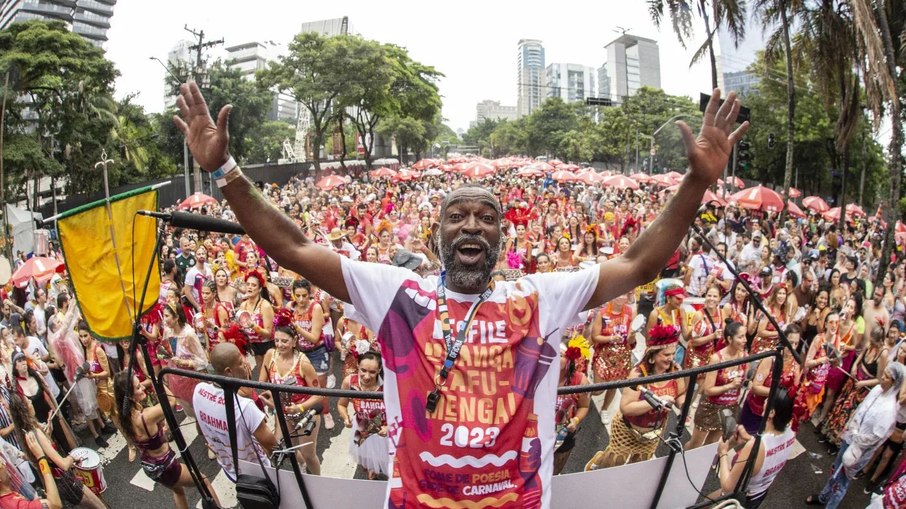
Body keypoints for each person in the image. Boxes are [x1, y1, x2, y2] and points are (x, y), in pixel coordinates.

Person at [175, 80, 747, 507]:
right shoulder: (396, 293)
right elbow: (295, 249)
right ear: (435, 234)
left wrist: (696, 180)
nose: (471, 225)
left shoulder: (542, 297)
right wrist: (224, 169)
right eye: (457, 216)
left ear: (503, 235)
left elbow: (639, 261)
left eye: (485, 217)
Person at [585, 324, 687, 469]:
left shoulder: (676, 371)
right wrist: (657, 401)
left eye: (673, 354)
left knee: (639, 464)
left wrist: (683, 405)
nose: (671, 358)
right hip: (627, 430)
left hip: (653, 433)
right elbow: (626, 408)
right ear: (653, 356)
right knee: (615, 462)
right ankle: (599, 463)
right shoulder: (638, 374)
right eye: (666, 355)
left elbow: (680, 394)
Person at [806, 363, 906, 508]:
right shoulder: (877, 389)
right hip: (850, 439)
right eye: (883, 374)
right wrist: (851, 429)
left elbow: (874, 438)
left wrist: (855, 436)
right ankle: (823, 496)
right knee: (835, 468)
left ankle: (831, 505)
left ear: (894, 383)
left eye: (886, 377)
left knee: (842, 481)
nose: (882, 378)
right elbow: (860, 410)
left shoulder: (889, 410)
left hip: (859, 451)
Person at [114, 372, 219, 509]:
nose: (143, 388)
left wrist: (158, 434)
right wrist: (156, 382)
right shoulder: (146, 416)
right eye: (138, 387)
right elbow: (171, 401)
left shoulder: (125, 415)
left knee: (178, 491)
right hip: (167, 467)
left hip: (151, 466)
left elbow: (145, 439)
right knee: (203, 481)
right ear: (130, 396)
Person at [193, 343, 277, 482]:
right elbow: (274, 448)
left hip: (230, 470)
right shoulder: (246, 407)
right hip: (259, 474)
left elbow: (200, 430)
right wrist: (279, 414)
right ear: (229, 371)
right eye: (240, 362)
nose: (245, 364)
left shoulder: (199, 390)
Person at [8, 393, 105, 509]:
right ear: (24, 409)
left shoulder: (24, 434)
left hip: (56, 482)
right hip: (65, 480)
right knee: (99, 506)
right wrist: (72, 457)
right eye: (28, 402)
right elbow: (63, 465)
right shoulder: (35, 433)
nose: (31, 402)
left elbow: (41, 455)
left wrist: (47, 434)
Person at [715, 388, 797, 508]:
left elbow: (727, 487)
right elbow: (771, 451)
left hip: (741, 497)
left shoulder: (755, 446)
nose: (765, 400)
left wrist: (723, 452)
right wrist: (749, 438)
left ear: (771, 413)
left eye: (768, 399)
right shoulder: (792, 430)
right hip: (760, 493)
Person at [259, 325, 322, 475]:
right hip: (284, 414)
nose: (280, 345)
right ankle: (301, 467)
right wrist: (273, 400)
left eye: (284, 341)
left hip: (306, 415)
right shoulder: (270, 355)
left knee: (309, 454)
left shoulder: (303, 363)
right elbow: (261, 382)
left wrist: (299, 407)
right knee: (289, 449)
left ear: (294, 341)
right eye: (277, 340)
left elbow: (319, 393)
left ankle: (319, 481)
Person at [688, 321, 748, 449]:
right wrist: (730, 386)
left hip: (729, 408)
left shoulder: (744, 357)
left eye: (745, 336)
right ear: (729, 339)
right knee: (695, 444)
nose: (745, 340)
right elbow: (708, 390)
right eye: (741, 337)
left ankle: (701, 468)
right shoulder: (717, 358)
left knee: (711, 445)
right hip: (710, 407)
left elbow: (745, 379)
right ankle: (679, 464)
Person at [739, 324, 802, 434]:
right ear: (782, 340)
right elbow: (755, 387)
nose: (793, 346)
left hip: (773, 415)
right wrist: (778, 394)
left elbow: (793, 390)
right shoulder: (771, 358)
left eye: (796, 343)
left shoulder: (795, 363)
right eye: (790, 342)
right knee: (743, 438)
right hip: (756, 409)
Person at [337, 352, 388, 479]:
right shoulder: (350, 381)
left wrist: (390, 427)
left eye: (372, 372)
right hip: (361, 428)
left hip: (384, 431)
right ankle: (371, 470)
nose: (366, 376)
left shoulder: (388, 385)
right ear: (357, 366)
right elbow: (341, 404)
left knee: (388, 462)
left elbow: (402, 410)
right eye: (363, 370)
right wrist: (346, 418)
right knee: (364, 458)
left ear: (379, 370)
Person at [588, 291, 634, 423]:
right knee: (598, 389)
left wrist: (632, 337)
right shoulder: (602, 314)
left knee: (613, 386)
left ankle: (604, 409)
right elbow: (595, 336)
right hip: (604, 355)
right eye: (618, 293)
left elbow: (631, 339)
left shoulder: (630, 312)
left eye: (624, 294)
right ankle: (586, 394)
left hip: (621, 357)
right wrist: (611, 338)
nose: (620, 297)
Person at [0, 431, 63, 509]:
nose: (4, 463)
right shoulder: (15, 505)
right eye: (1, 463)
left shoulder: (10, 498)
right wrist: (41, 458)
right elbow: (54, 505)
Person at [553, 345, 589, 475]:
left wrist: (575, 420)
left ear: (570, 359)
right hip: (537, 432)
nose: (555, 358)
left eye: (560, 355)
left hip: (563, 434)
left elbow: (584, 406)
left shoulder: (580, 380)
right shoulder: (538, 375)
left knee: (555, 469)